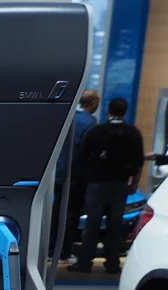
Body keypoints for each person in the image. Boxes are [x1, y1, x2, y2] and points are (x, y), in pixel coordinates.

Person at [71, 97, 144, 275]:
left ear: (108, 111)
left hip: (97, 184)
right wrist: (133, 184)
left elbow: (82, 158)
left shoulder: (97, 131)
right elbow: (139, 162)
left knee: (93, 224)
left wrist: (87, 179)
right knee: (115, 225)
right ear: (125, 111)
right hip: (120, 184)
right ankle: (112, 264)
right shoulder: (133, 133)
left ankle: (85, 263)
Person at [49, 89, 99, 262]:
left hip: (56, 172)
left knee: (54, 211)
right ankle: (63, 252)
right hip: (74, 175)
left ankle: (49, 249)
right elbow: (89, 153)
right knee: (70, 213)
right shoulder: (90, 123)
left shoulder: (66, 117)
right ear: (93, 103)